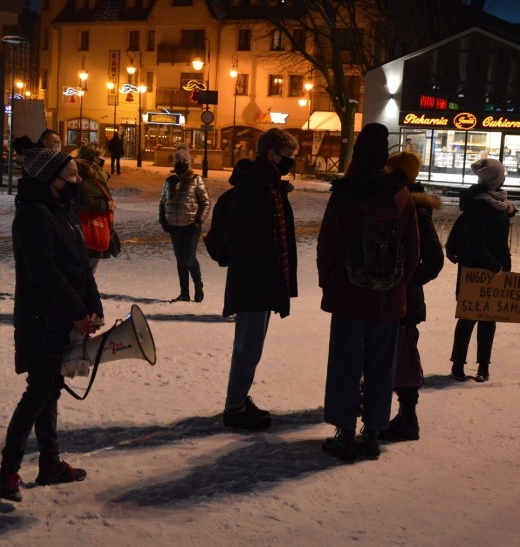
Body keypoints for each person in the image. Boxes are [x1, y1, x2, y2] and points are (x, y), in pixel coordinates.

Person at [0, 147, 104, 502]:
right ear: (48, 179)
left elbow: (81, 267)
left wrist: (93, 305)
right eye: (70, 175)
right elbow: (45, 273)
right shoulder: (33, 215)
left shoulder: (63, 211)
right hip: (40, 320)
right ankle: (8, 471)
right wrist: (76, 312)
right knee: (39, 393)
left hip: (60, 318)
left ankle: (50, 465)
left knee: (49, 390)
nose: (78, 180)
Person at [316, 123, 419, 461]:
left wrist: (328, 283)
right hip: (387, 298)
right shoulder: (401, 194)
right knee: (381, 365)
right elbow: (412, 250)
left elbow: (328, 243)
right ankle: (372, 435)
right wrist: (399, 286)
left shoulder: (345, 193)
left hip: (348, 293)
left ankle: (345, 433)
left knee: (345, 363)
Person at [222, 128, 299, 431]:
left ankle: (239, 400)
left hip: (262, 281)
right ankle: (234, 409)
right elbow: (237, 237)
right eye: (288, 157)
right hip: (253, 282)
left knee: (252, 346)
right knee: (248, 346)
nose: (291, 162)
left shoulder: (269, 186)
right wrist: (261, 269)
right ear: (271, 154)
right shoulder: (254, 188)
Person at [378, 152, 444, 443]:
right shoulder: (398, 202)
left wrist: (402, 283)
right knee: (391, 357)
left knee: (404, 359)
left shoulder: (415, 208)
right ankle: (393, 415)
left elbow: (433, 261)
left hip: (404, 300)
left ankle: (408, 419)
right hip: (393, 297)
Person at [450, 158, 517, 383]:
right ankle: (458, 364)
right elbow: (475, 240)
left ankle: (483, 366)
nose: (505, 177)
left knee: (489, 317)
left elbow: (500, 223)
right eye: (502, 174)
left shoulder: (496, 200)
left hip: (494, 267)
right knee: (469, 317)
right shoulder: (479, 204)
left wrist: (509, 211)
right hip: (476, 268)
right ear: (495, 179)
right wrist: (493, 264)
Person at [159, 144, 211, 302]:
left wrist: (199, 220)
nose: (181, 164)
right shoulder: (169, 181)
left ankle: (198, 284)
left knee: (189, 258)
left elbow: (205, 201)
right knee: (180, 260)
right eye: (178, 161)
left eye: (184, 161)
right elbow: (162, 202)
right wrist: (163, 220)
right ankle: (184, 293)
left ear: (188, 163)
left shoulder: (196, 180)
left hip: (191, 226)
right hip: (174, 226)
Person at [75, 143, 117, 273]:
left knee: (85, 270)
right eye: (101, 157)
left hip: (86, 228)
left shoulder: (88, 174)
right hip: (89, 228)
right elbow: (86, 202)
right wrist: (106, 205)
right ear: (95, 159)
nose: (103, 160)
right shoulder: (86, 177)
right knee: (86, 270)